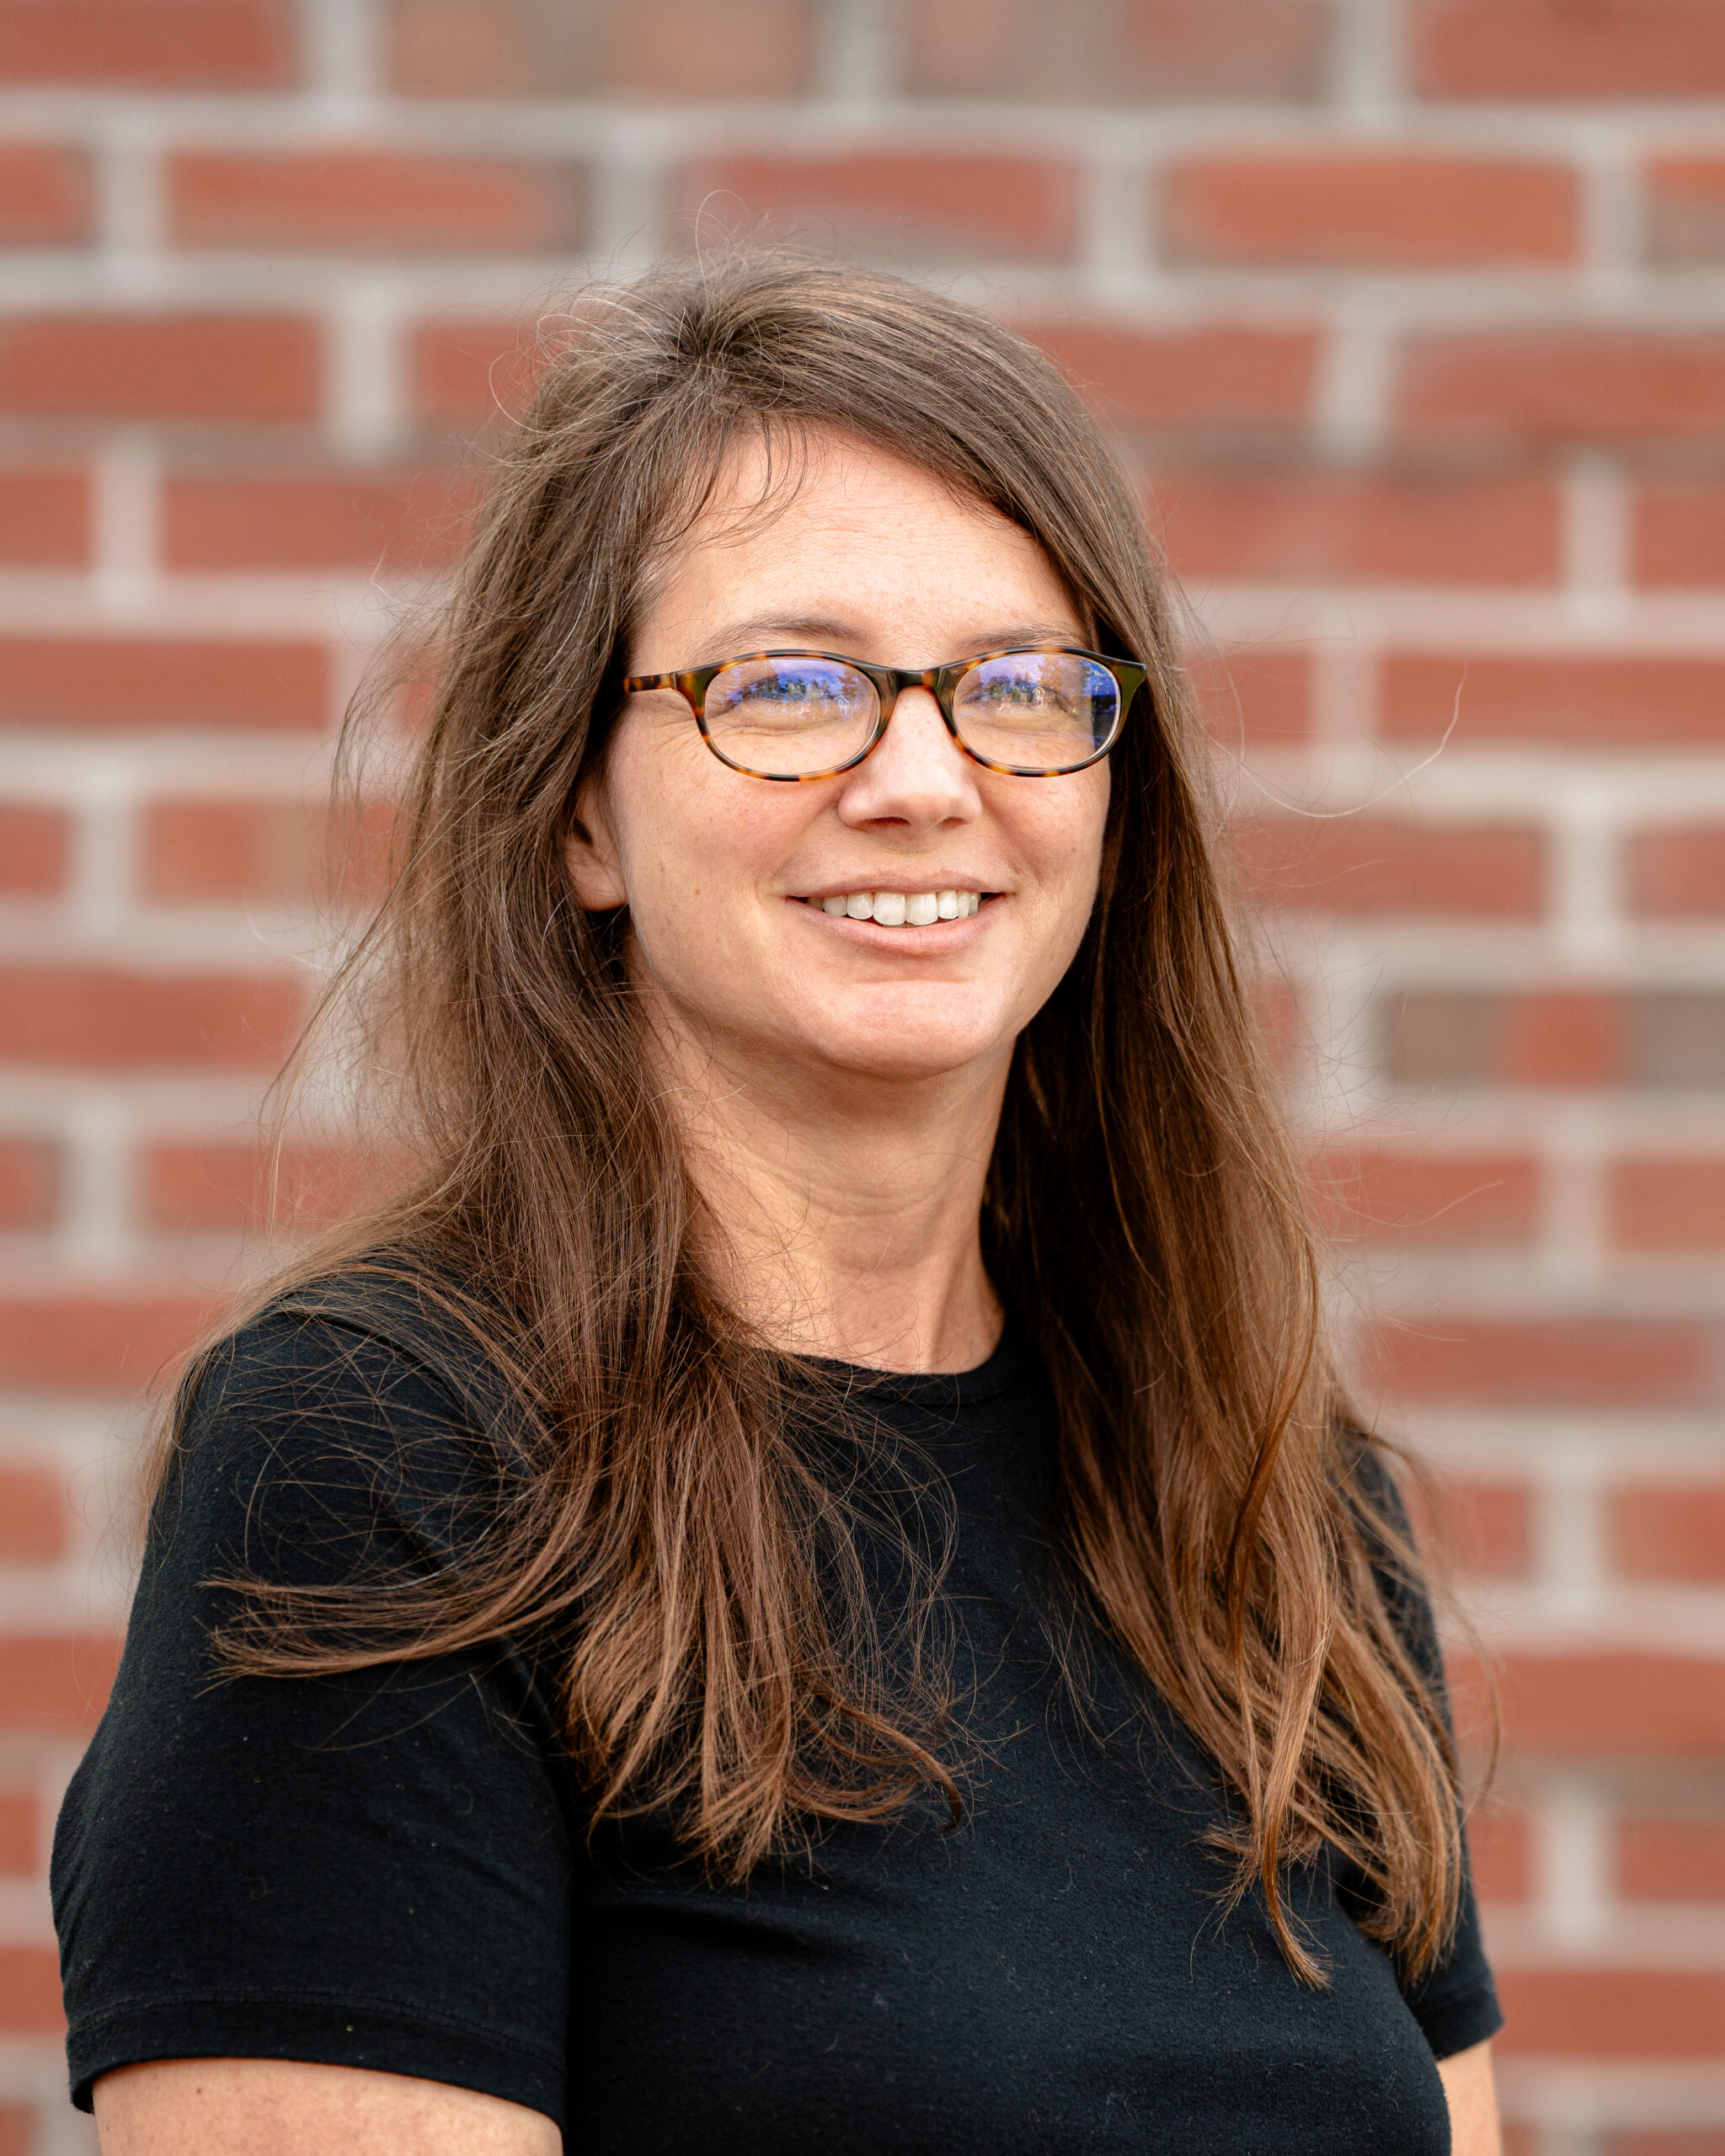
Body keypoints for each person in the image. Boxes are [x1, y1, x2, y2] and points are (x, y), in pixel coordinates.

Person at [53, 253, 1503, 2155]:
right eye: (794, 687)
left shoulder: (1263, 1495)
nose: (924, 777)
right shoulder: (380, 1468)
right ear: (580, 811)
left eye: (1017, 685)